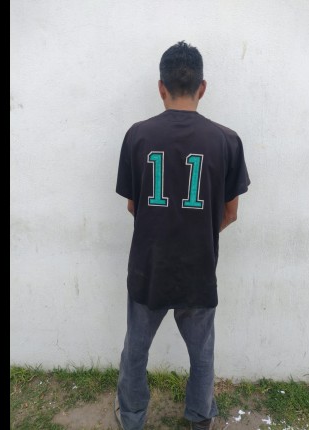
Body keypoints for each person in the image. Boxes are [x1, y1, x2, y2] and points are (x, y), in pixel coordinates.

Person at [114, 41, 251, 430]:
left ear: (161, 87)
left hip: (149, 267)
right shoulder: (227, 140)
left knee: (135, 349)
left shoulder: (137, 136)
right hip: (198, 267)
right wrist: (197, 233)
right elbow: (230, 214)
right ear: (202, 88)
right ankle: (200, 416)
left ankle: (132, 417)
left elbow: (134, 207)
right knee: (202, 352)